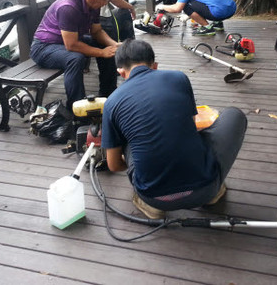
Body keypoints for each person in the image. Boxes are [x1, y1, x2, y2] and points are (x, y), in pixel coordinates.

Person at [101, 39, 247, 219]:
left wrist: (136, 159)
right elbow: (191, 125)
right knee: (234, 115)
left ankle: (149, 205)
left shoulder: (111, 103)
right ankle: (214, 194)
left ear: (121, 73)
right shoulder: (179, 78)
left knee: (130, 136)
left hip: (153, 197)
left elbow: (114, 165)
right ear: (154, 66)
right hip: (206, 189)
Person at [30, 0, 120, 109]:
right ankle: (76, 107)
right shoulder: (68, 7)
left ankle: (108, 95)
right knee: (75, 58)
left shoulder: (94, 4)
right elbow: (71, 45)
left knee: (107, 47)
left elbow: (97, 32)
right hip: (43, 48)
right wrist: (102, 53)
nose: (105, 3)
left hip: (67, 42)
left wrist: (115, 45)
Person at [157, 0, 237, 36]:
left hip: (219, 12)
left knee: (186, 5)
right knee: (208, 0)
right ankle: (218, 24)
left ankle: (207, 28)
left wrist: (162, 6)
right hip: (231, 9)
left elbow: (177, 8)